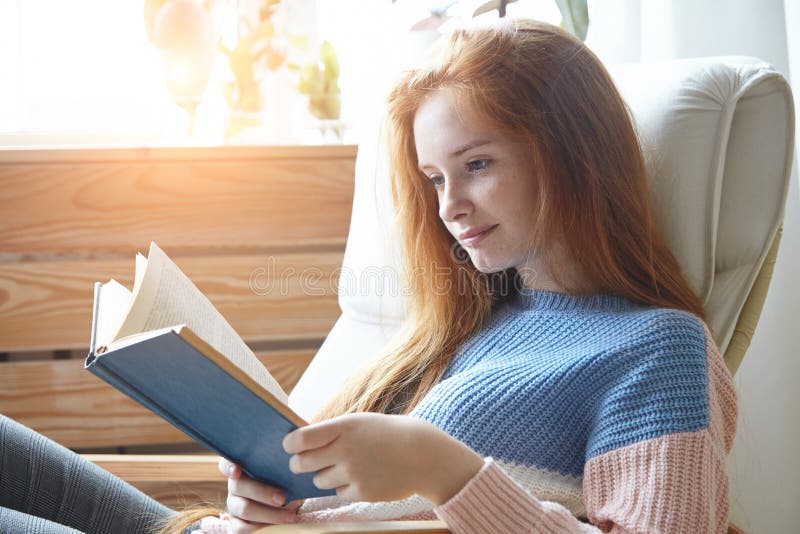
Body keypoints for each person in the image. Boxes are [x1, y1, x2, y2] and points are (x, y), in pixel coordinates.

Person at [1, 18, 736, 534]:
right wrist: (269, 493)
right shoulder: (481, 314)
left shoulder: (659, 351)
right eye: (434, 177)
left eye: (477, 164)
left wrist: (437, 465)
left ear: (573, 152)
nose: (449, 206)